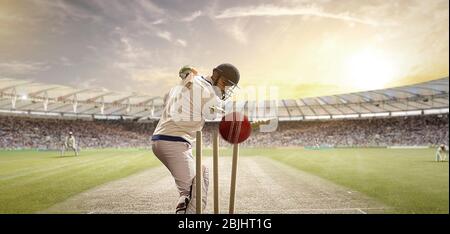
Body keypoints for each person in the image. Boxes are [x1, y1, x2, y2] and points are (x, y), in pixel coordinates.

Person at [151, 63, 240, 214]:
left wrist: (188, 72)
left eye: (228, 86)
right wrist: (244, 124)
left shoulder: (193, 79)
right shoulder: (207, 93)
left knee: (199, 176)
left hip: (167, 140)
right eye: (224, 83)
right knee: (196, 194)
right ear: (215, 74)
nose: (225, 89)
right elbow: (216, 115)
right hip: (173, 142)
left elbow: (185, 71)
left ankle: (184, 204)